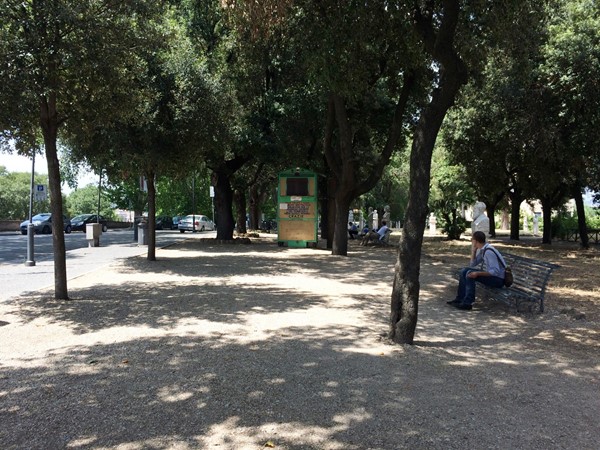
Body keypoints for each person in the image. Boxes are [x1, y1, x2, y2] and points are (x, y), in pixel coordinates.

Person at [448, 231, 506, 310]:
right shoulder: (483, 250)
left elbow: (495, 271)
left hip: (499, 280)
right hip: (493, 277)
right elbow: (473, 264)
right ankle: (459, 299)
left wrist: (478, 273)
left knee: (470, 273)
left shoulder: (488, 252)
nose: (471, 241)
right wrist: (474, 251)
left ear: (476, 241)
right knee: (464, 270)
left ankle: (467, 303)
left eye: (472, 239)